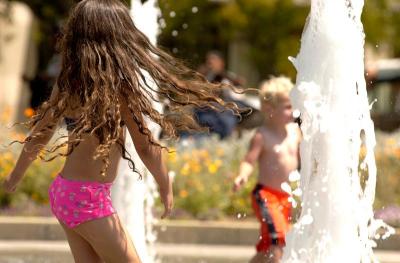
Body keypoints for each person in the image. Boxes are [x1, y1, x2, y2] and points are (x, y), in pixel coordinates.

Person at [2, 0, 240, 262]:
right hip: (88, 200)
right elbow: (146, 146)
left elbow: (42, 131)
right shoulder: (120, 88)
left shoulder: (69, 80)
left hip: (64, 192)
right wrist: (164, 184)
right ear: (119, 37)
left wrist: (16, 175)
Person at [233, 77, 301, 263]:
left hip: (284, 198)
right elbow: (249, 161)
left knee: (268, 247)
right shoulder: (262, 136)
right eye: (287, 107)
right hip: (265, 196)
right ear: (270, 110)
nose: (293, 111)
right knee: (279, 239)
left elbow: (305, 157)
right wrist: (242, 175)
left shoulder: (295, 132)